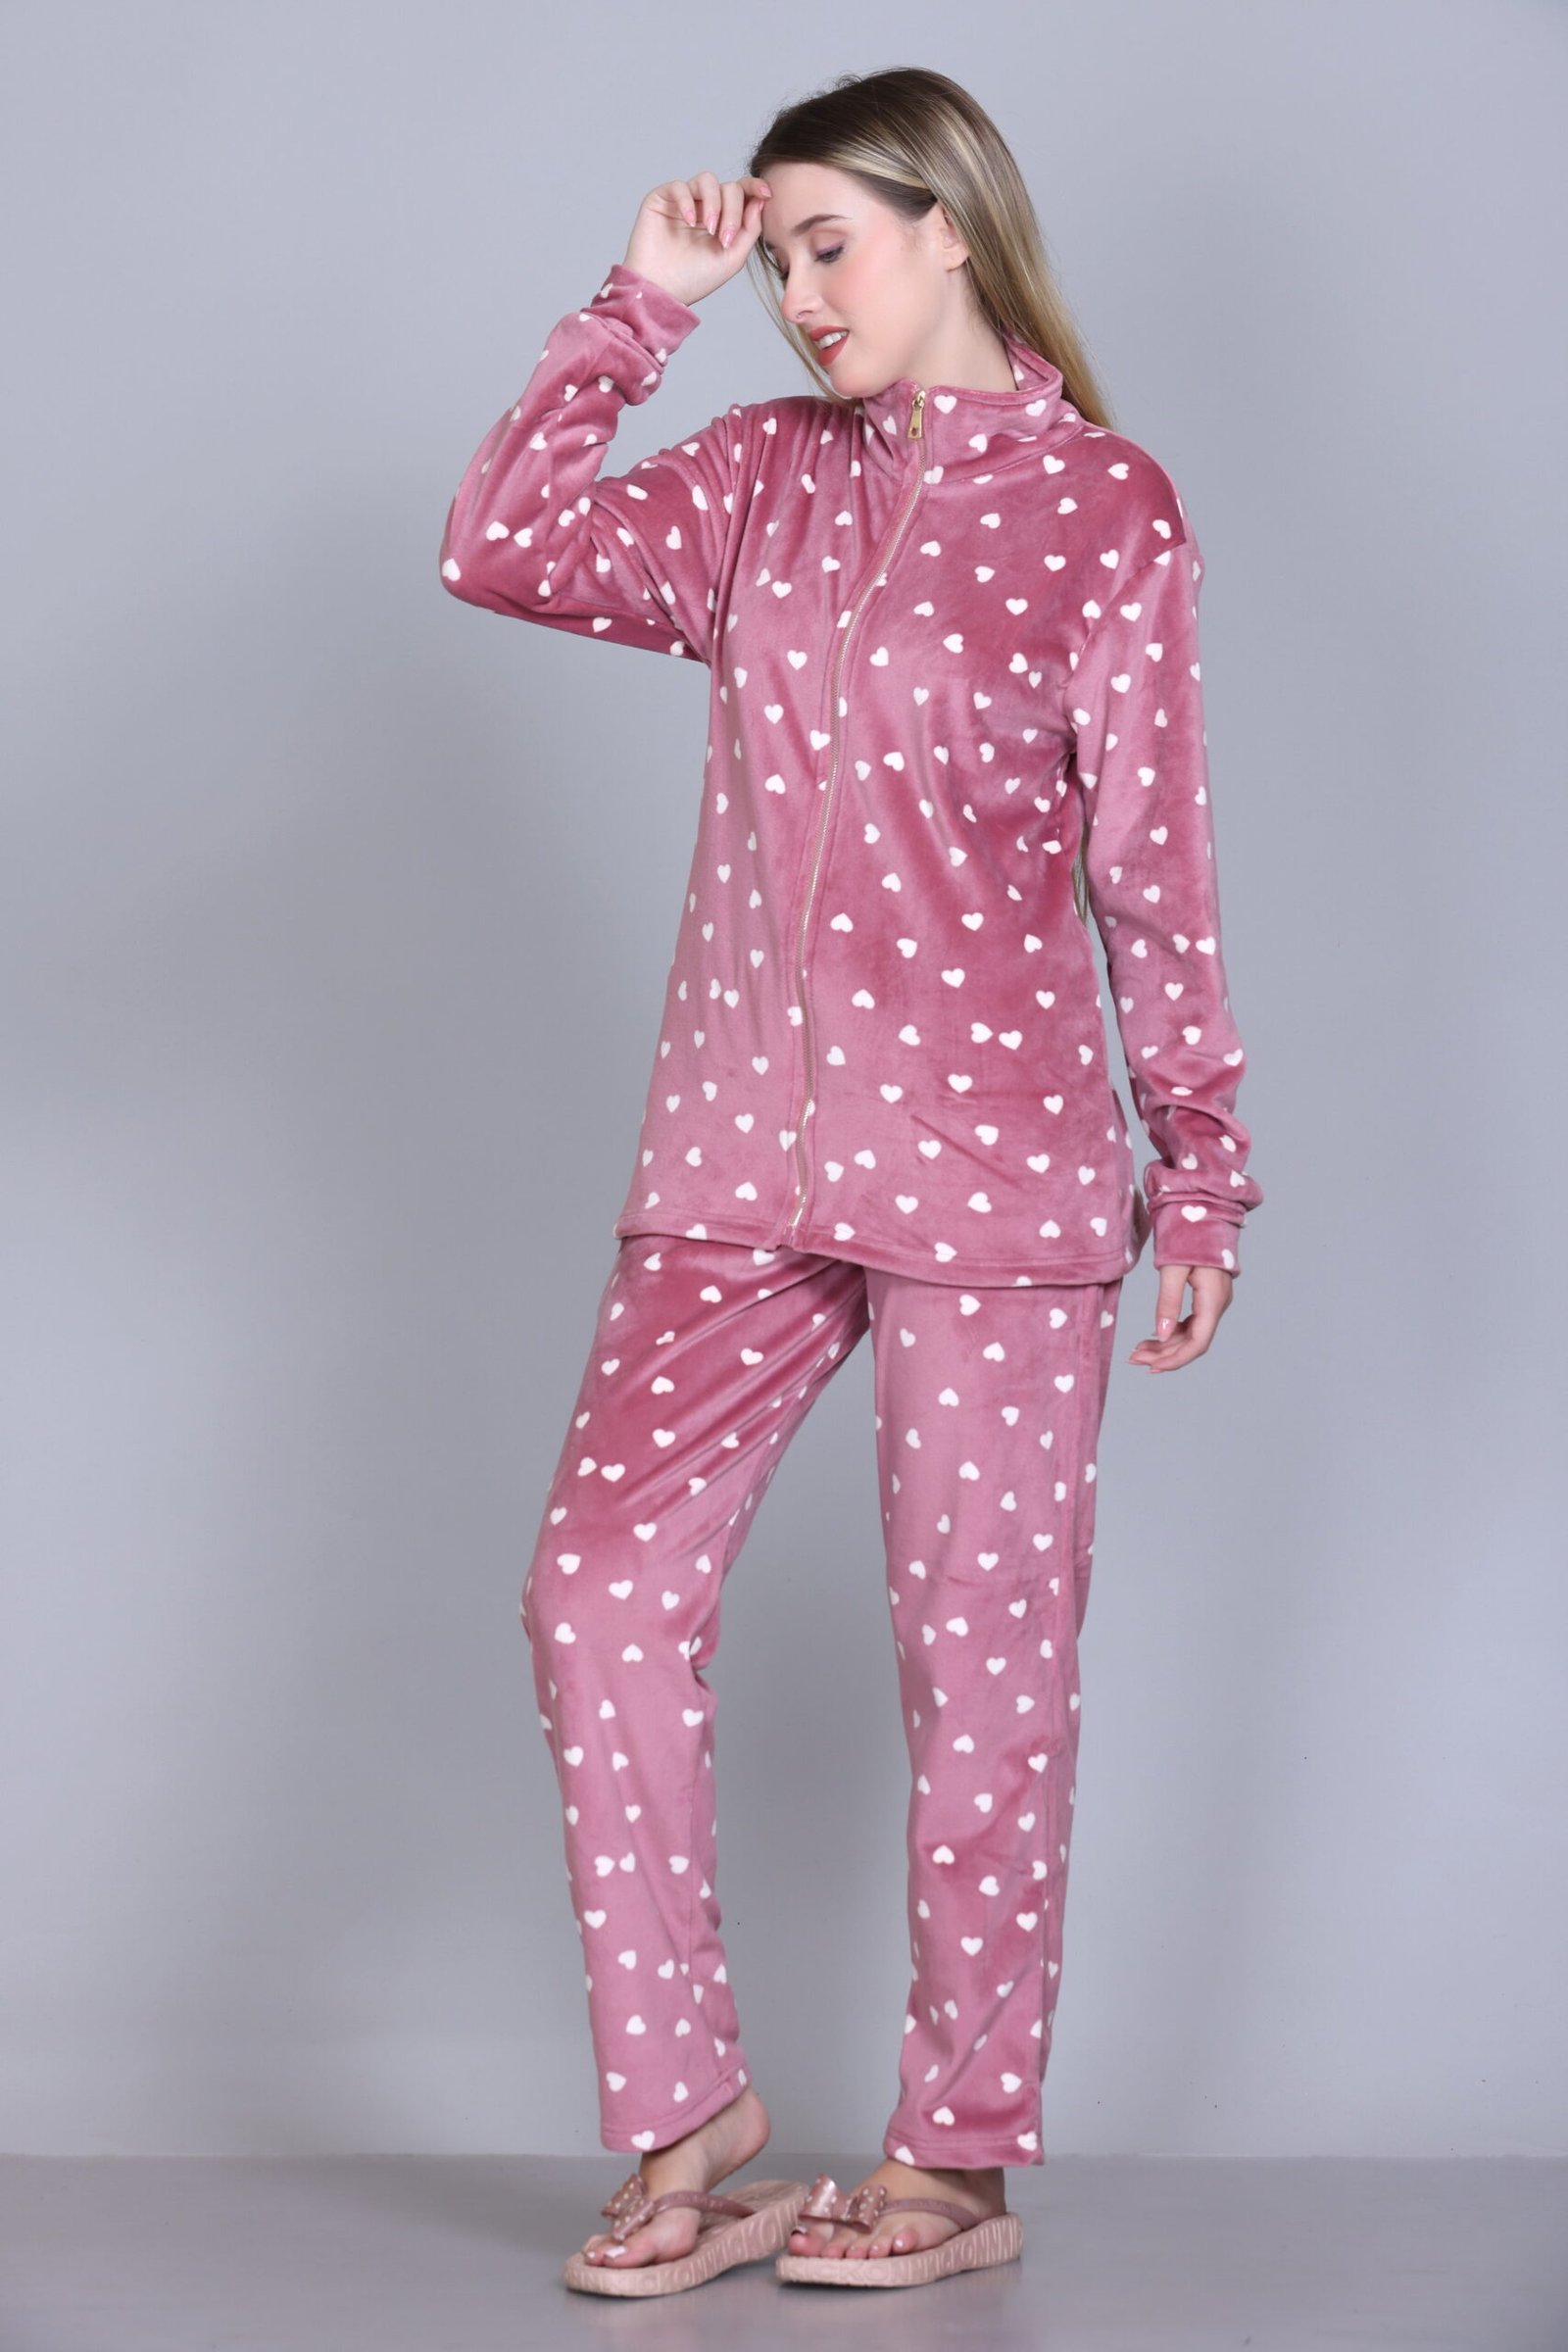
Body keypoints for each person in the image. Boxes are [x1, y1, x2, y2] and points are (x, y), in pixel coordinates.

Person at [438, 65, 1263, 2296]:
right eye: (778, 259)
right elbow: (499, 544)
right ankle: (689, 2113)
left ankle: (958, 2162)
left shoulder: (1101, 511)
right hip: (735, 1151)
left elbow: (1153, 866)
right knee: (594, 1589)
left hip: (994, 1175)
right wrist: (641, 302)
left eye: (831, 246)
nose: (800, 296)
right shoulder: (755, 483)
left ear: (950, 229)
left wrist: (1199, 1173)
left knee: (979, 1666)